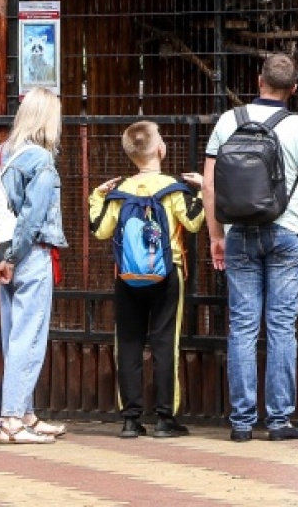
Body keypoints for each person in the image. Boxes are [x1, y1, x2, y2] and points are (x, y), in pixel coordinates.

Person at [202, 53, 298, 442]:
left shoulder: (228, 121)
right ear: (293, 88)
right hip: (286, 234)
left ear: (258, 81)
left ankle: (240, 424)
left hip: (239, 232)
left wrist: (215, 236)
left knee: (241, 326)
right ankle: (278, 421)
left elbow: (209, 186)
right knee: (280, 326)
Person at [89, 121, 205, 439]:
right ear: (160, 149)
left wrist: (96, 197)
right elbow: (193, 223)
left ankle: (130, 419)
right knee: (166, 344)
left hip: (127, 278)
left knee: (127, 345)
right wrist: (206, 188)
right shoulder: (173, 188)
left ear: (129, 153)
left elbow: (99, 230)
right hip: (167, 275)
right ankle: (165, 419)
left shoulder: (117, 193)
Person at [0, 87, 68, 444]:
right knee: (29, 338)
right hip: (28, 257)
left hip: (0, 255)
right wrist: (13, 258)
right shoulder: (42, 160)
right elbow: (33, 217)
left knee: (14, 338)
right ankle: (14, 419)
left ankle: (22, 412)